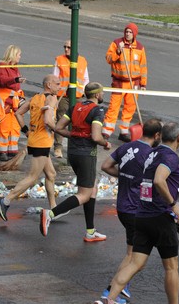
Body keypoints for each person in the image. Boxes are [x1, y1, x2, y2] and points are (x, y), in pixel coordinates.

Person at [103, 122, 179, 304]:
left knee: (135, 263)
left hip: (142, 215)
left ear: (161, 136)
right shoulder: (169, 156)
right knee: (171, 267)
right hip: (160, 216)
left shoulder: (151, 153)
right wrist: (173, 205)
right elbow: (158, 180)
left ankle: (108, 298)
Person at [100, 118, 163, 303]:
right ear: (157, 135)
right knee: (138, 260)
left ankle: (119, 290)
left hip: (122, 207)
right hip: (137, 210)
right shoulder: (151, 155)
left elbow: (105, 166)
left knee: (132, 255)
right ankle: (113, 290)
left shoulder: (126, 147)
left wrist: (125, 176)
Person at [38, 82, 110, 241]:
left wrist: (74, 135)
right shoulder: (97, 110)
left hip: (73, 153)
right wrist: (106, 143)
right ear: (97, 95)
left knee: (92, 188)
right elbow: (96, 137)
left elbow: (58, 127)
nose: (103, 95)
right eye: (102, 93)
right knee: (84, 194)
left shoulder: (75, 107)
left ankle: (90, 232)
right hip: (86, 155)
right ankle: (50, 214)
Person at [0, 74, 59, 221]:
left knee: (51, 174)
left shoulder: (36, 97)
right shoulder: (52, 99)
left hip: (35, 140)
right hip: (42, 142)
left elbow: (18, 113)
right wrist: (60, 130)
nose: (59, 86)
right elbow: (48, 121)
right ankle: (5, 201)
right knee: (32, 177)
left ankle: (54, 209)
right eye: (57, 84)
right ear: (48, 85)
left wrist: (26, 131)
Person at [103, 23, 147, 143]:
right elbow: (108, 59)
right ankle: (107, 131)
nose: (128, 34)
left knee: (130, 108)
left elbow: (143, 67)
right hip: (119, 82)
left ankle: (124, 131)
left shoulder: (139, 47)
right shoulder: (117, 43)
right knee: (114, 107)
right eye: (126, 32)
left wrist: (143, 85)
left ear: (134, 34)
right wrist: (118, 51)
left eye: (130, 32)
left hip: (134, 83)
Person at [0, 45, 26, 161]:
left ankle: (12, 150)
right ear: (13, 55)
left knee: (15, 126)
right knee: (4, 126)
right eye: (19, 54)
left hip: (14, 100)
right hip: (4, 101)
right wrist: (15, 80)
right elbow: (1, 81)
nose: (20, 57)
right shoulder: (2, 66)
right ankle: (3, 151)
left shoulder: (15, 67)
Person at [52, 40, 89, 158]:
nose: (66, 49)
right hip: (63, 96)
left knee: (77, 122)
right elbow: (54, 78)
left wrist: (81, 89)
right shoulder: (59, 60)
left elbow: (86, 79)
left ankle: (75, 146)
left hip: (77, 96)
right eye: (65, 47)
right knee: (61, 120)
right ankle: (58, 147)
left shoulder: (82, 61)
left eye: (68, 47)